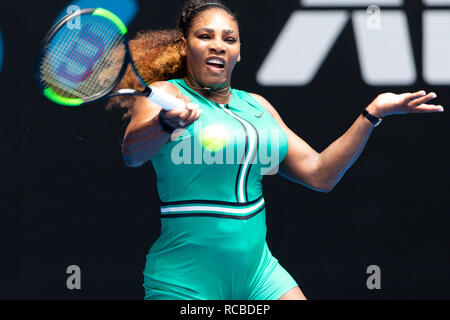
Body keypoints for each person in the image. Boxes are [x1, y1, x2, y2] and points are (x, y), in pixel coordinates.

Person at [116, 0, 444, 300]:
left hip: (260, 275)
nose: (218, 45)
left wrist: (372, 114)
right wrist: (165, 125)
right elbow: (132, 154)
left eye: (229, 39)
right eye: (205, 36)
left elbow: (320, 175)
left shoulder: (258, 106)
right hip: (185, 280)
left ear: (239, 52)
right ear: (186, 46)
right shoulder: (165, 94)